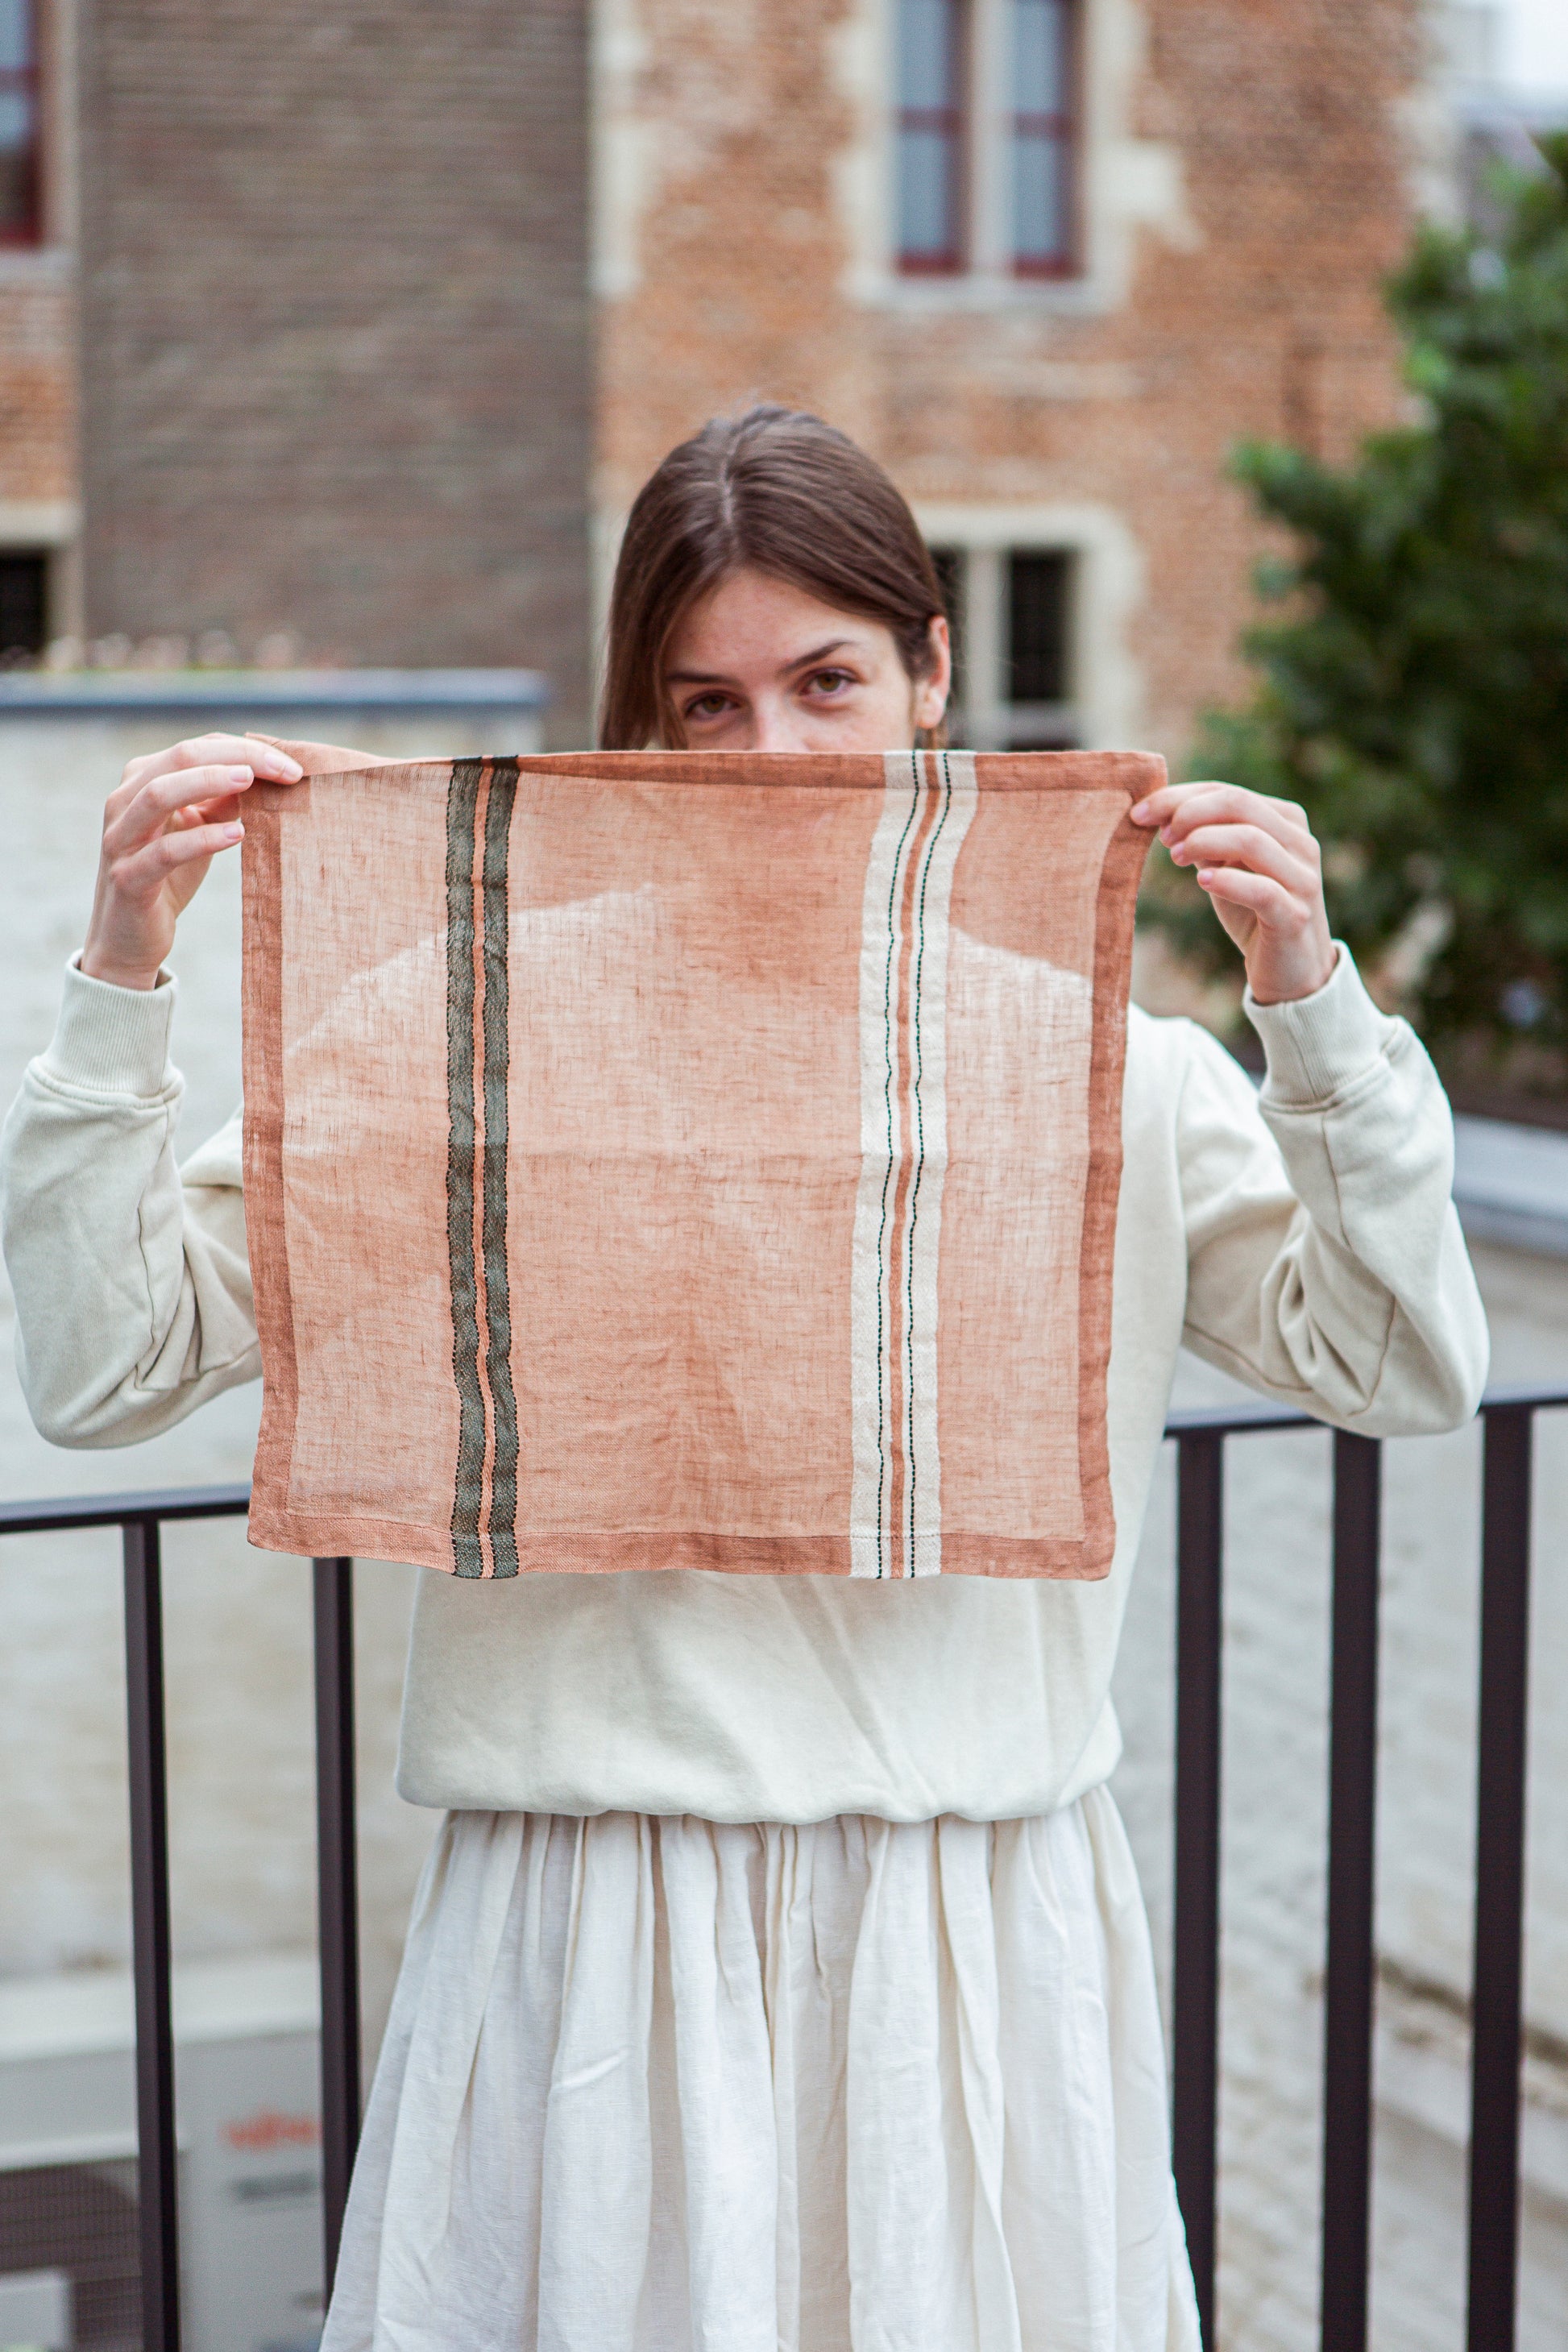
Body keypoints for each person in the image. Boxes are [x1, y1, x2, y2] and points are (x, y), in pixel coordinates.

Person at [1, 406, 1487, 2352]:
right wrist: (121, 971)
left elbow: (1402, 1358)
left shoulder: (1106, 1066)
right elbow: (106, 1367)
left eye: (825, 682)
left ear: (933, 674)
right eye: (708, 704)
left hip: (967, 1943)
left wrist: (1314, 1002)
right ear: (642, 725)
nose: (772, 753)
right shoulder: (477, 1033)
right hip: (585, 1940)